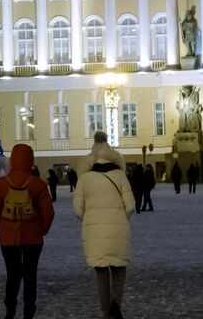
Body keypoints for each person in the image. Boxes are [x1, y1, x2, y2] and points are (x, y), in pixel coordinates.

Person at [0, 143, 55, 319]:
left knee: (12, 274)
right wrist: (42, 230)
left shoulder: (2, 184)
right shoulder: (38, 184)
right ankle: (28, 311)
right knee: (30, 275)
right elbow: (48, 212)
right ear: (30, 160)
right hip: (33, 238)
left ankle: (10, 309)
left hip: (8, 238)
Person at [74, 133, 134, 319]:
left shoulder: (84, 179)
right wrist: (120, 218)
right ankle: (116, 304)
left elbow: (77, 209)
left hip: (94, 232)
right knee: (118, 268)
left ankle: (105, 311)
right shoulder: (120, 176)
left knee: (101, 271)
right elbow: (131, 205)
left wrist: (89, 220)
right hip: (118, 229)